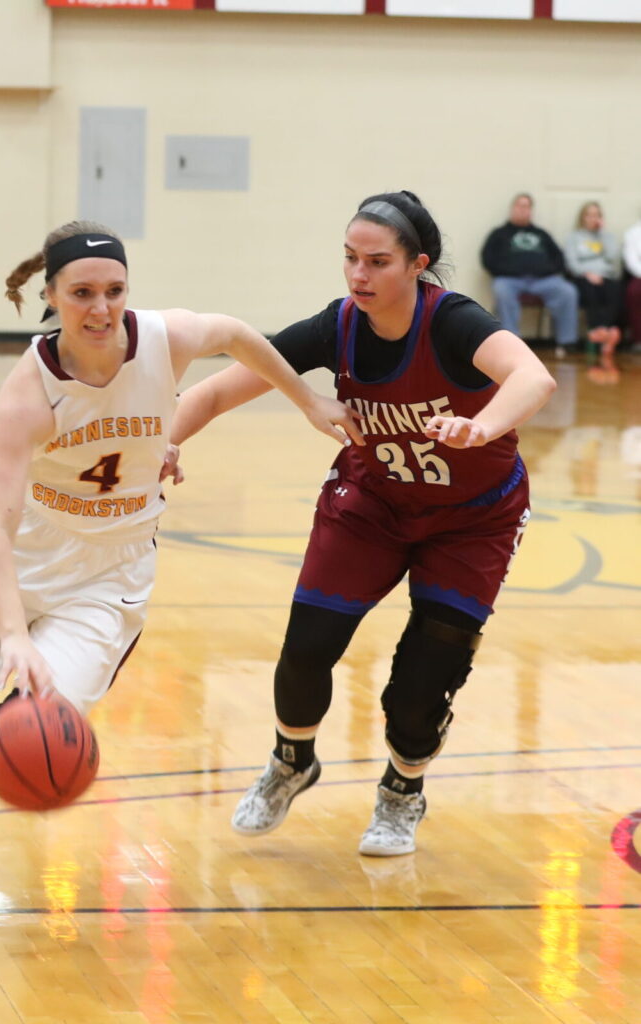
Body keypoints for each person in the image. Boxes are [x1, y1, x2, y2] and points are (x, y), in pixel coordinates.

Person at [0, 219, 350, 895]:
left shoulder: (162, 339)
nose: (102, 307)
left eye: (115, 290)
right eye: (82, 292)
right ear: (51, 297)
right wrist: (11, 637)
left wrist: (307, 399)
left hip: (110, 568)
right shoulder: (29, 392)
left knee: (50, 715)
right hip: (20, 550)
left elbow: (234, 333)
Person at [165, 192, 556, 856]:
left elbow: (533, 376)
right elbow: (213, 391)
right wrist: (165, 444)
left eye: (377, 262)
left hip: (473, 519)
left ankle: (402, 792)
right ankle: (293, 761)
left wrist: (481, 425)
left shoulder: (455, 323)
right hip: (372, 505)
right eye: (350, 259)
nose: (358, 275)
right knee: (305, 651)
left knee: (419, 687)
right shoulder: (337, 326)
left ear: (417, 265)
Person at [481, 193, 579, 357]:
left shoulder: (541, 234)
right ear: (512, 209)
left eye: (527, 207)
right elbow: (487, 259)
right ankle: (511, 341)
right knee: (501, 289)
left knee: (567, 291)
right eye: (520, 206)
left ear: (531, 211)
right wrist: (506, 270)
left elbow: (559, 257)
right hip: (510, 279)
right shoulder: (499, 234)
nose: (523, 210)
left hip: (543, 279)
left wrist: (548, 270)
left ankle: (566, 341)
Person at [564, 201, 622, 384]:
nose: (593, 218)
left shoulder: (607, 237)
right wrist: (587, 273)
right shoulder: (574, 237)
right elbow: (571, 263)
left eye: (597, 215)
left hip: (605, 276)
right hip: (584, 276)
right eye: (589, 215)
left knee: (615, 289)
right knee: (589, 289)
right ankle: (598, 330)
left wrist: (603, 235)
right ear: (583, 217)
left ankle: (607, 331)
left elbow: (614, 261)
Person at [622, 213, 641, 352]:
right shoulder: (633, 233)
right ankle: (638, 339)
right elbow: (631, 262)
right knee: (633, 291)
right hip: (639, 275)